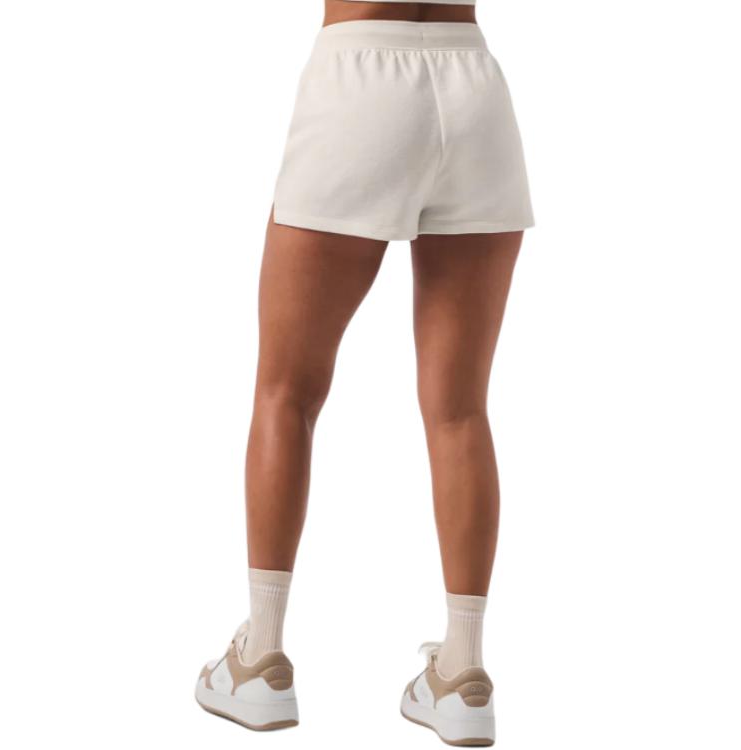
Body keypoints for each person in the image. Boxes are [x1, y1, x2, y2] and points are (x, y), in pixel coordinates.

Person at [195, 1, 533, 745]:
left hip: (360, 75)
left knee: (287, 390)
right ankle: (463, 672)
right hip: (474, 85)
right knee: (460, 409)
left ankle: (259, 660)